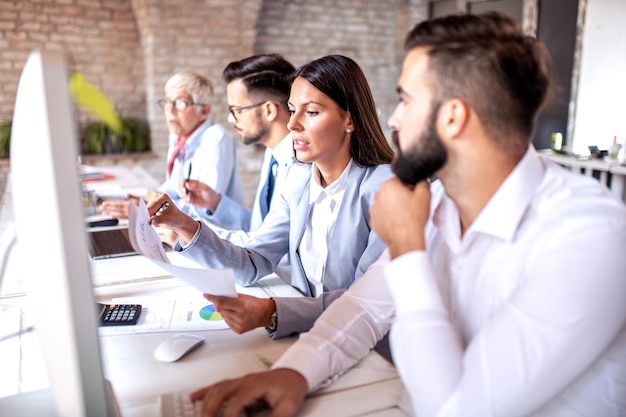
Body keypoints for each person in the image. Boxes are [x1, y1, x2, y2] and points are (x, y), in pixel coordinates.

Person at [186, 12, 626, 417]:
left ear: (453, 117)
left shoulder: (590, 235)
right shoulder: (440, 202)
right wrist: (295, 372)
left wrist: (408, 248)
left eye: (406, 100)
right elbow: (364, 308)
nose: (393, 119)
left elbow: (458, 408)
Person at [148, 55, 395, 343]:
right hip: (311, 335)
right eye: (292, 110)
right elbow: (256, 259)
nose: (292, 124)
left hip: (365, 346)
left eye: (311, 112)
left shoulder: (386, 189)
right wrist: (186, 227)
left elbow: (365, 301)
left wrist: (274, 312)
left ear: (349, 118)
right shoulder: (298, 179)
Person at [101, 71, 244, 224]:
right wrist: (149, 200)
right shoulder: (177, 137)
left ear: (204, 111)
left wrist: (152, 209)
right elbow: (174, 185)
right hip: (181, 228)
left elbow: (204, 207)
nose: (170, 109)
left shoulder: (217, 139)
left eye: (180, 103)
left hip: (215, 233)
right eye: (167, 101)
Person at [183, 53, 296, 242]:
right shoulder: (273, 154)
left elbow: (266, 246)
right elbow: (261, 228)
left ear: (269, 110)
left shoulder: (301, 165)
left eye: (236, 110)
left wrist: (189, 231)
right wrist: (216, 203)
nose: (230, 119)